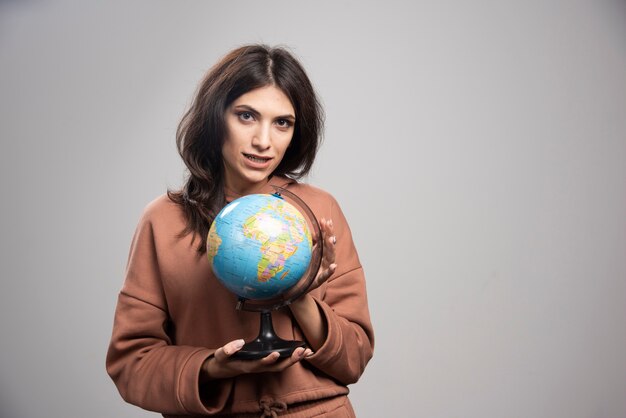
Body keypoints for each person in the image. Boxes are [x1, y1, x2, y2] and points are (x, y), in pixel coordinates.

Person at [106, 44, 374, 417]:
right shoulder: (164, 220)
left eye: (283, 123)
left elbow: (355, 357)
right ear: (216, 118)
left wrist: (298, 294)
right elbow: (131, 363)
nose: (264, 141)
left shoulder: (318, 210)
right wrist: (212, 368)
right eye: (247, 116)